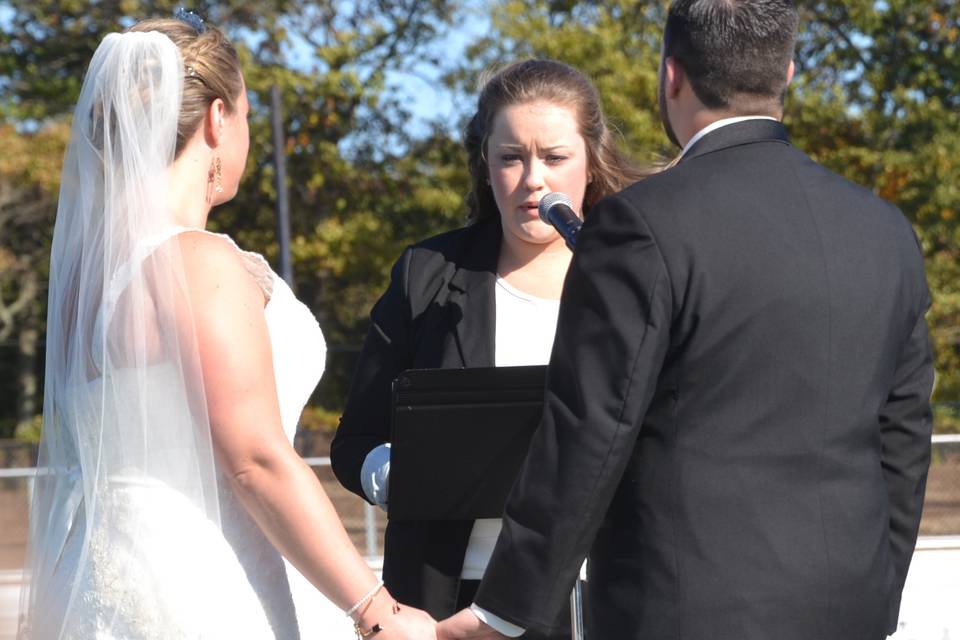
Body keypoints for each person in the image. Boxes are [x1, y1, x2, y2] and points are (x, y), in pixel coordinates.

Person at [437, 1, 935, 639]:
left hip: (683, 613)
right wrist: (877, 589)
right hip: (851, 611)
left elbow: (590, 430)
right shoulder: (885, 231)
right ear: (786, 73)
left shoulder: (640, 225)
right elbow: (903, 435)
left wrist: (500, 613)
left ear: (671, 76)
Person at [17, 15, 436, 640]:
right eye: (242, 117)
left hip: (95, 585)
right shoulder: (199, 262)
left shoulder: (84, 281)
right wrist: (378, 612)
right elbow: (256, 459)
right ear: (217, 118)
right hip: (204, 582)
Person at [330, 59, 648, 638]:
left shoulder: (638, 276)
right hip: (454, 601)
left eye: (554, 157)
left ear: (591, 159)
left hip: (606, 595)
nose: (533, 180)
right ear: (485, 165)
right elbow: (354, 443)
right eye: (511, 157)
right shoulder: (426, 276)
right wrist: (397, 473)